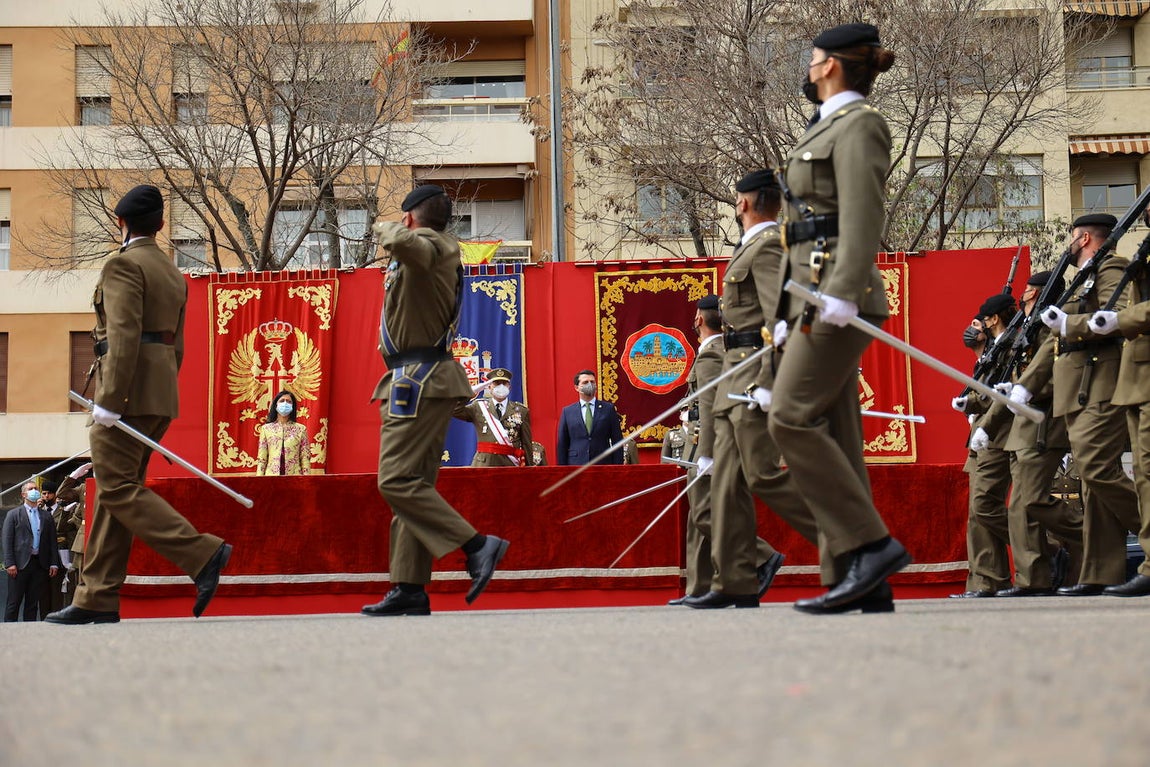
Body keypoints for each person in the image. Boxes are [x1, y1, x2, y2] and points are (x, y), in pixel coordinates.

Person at [767, 23, 910, 614]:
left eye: (812, 57)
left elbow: (861, 215)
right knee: (837, 434)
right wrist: (782, 311)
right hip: (810, 293)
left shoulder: (860, 125)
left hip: (836, 295)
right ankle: (861, 577)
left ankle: (872, 545)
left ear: (828, 65)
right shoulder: (824, 125)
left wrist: (845, 290)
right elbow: (796, 231)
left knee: (789, 418)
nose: (807, 63)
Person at [45, 185, 232, 625]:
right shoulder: (171, 272)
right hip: (158, 394)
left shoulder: (123, 265)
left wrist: (110, 401)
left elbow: (123, 336)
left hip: (124, 395)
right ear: (161, 226)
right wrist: (159, 388)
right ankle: (98, 598)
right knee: (115, 497)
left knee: (116, 489)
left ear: (119, 223)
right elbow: (178, 348)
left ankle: (203, 553)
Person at [363, 184, 510, 617]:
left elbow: (407, 244)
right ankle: (409, 586)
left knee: (395, 482)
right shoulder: (433, 246)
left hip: (419, 379)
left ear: (410, 217)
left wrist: (378, 222)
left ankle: (477, 546)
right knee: (414, 485)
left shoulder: (431, 245)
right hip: (421, 377)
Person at [687, 175, 823, 610]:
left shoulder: (767, 246)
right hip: (732, 376)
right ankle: (737, 581)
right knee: (725, 487)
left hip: (750, 375)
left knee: (762, 474)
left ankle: (855, 543)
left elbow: (778, 321)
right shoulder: (750, 245)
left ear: (745, 202)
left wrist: (766, 382)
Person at [1010, 213, 1139, 595]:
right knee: (1092, 485)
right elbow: (1054, 344)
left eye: (1071, 238)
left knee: (1099, 470)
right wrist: (1026, 386)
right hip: (1077, 388)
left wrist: (1072, 324)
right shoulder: (1080, 279)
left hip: (1099, 383)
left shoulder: (1112, 266)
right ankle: (1101, 572)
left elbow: (1118, 317)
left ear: (1082, 239)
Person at [974, 272, 1085, 596]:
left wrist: (1022, 393)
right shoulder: (1029, 332)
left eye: (1027, 293)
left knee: (1029, 502)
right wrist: (985, 421)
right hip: (1022, 428)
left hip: (1042, 423)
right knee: (1020, 507)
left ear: (1038, 295)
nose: (1021, 298)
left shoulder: (1054, 326)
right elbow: (1015, 383)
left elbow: (1056, 377)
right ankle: (1032, 578)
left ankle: (1096, 538)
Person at [1090, 251, 1150, 596]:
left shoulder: (1112, 265)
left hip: (1136, 375)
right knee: (1143, 474)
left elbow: (1127, 310)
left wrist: (1120, 320)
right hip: (1134, 378)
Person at [950, 312, 1012, 599]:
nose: (969, 329)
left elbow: (994, 397)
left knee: (985, 507)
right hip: (978, 439)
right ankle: (985, 581)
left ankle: (1045, 547)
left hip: (994, 438)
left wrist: (973, 406)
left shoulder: (1001, 355)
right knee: (977, 515)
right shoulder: (982, 362)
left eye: (975, 324)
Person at [3, 482, 61, 621]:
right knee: (13, 603)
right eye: (30, 489)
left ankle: (29, 632)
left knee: (33, 604)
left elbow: (52, 541)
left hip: (39, 565)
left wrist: (54, 563)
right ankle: (9, 632)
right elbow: (7, 540)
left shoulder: (46, 516)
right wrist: (10, 563)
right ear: (23, 494)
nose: (34, 491)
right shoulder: (13, 514)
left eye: (36, 489)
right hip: (19, 565)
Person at [453, 368, 534, 466]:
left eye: (504, 383)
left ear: (509, 387)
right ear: (489, 387)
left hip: (510, 464)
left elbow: (526, 444)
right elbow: (455, 410)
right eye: (496, 383)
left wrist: (529, 469)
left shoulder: (521, 411)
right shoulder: (479, 407)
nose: (501, 386)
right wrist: (470, 393)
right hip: (484, 464)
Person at [556, 370, 624, 466]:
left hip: (603, 464)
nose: (590, 384)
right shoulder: (567, 412)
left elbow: (617, 440)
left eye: (592, 382)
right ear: (576, 387)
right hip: (575, 466)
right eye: (585, 382)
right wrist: (562, 471)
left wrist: (617, 468)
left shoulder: (608, 409)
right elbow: (562, 444)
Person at [256, 390, 311, 476]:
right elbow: (262, 459)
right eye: (282, 401)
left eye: (289, 402)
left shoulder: (301, 429)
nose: (285, 404)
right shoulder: (266, 429)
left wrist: (307, 481)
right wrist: (258, 480)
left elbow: (305, 458)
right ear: (276, 405)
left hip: (294, 477)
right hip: (271, 477)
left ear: (292, 406)